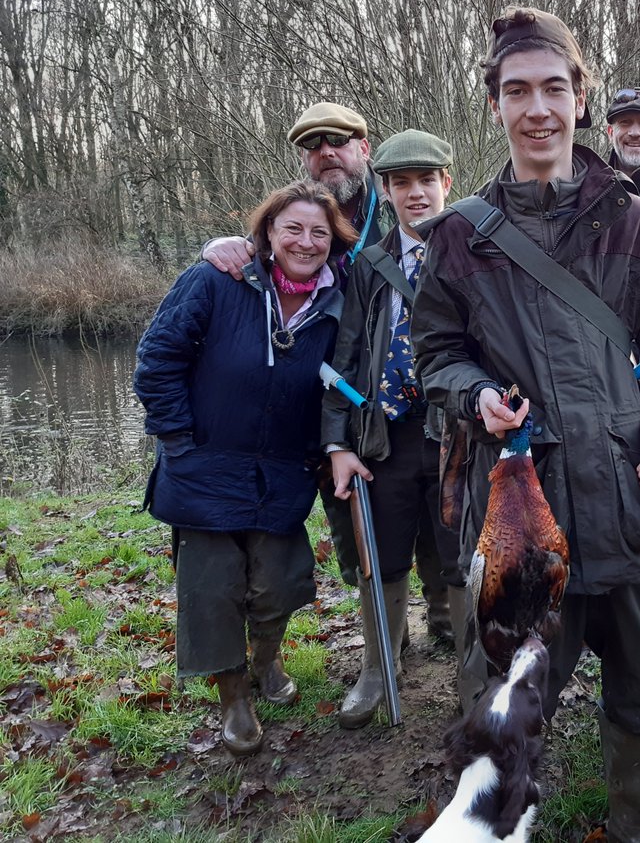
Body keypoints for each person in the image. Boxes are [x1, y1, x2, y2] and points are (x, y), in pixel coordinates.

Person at [411, 6, 640, 842]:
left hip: (628, 501)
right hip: (518, 512)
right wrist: (475, 396)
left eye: (553, 88)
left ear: (580, 99)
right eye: (517, 91)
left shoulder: (636, 223)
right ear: (496, 105)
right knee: (502, 688)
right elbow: (436, 353)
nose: (537, 108)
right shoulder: (461, 234)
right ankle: (494, 822)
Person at [203, 103, 455, 649]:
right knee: (360, 530)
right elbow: (263, 254)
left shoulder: (404, 213)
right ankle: (385, 648)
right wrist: (222, 248)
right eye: (314, 145)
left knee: (443, 524)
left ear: (365, 150)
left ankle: (445, 622)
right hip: (337, 404)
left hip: (433, 405)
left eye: (338, 141)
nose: (326, 154)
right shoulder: (310, 222)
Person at [134, 181, 354, 756]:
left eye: (319, 232)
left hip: (283, 467)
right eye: (292, 229)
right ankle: (233, 695)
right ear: (267, 233)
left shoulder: (341, 298)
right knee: (212, 587)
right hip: (203, 462)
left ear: (334, 242)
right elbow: (157, 360)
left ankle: (266, 659)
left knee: (278, 582)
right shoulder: (216, 279)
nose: (305, 242)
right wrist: (178, 438)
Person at [320, 129, 467, 727]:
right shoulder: (370, 267)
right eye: (401, 183)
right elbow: (345, 356)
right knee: (381, 556)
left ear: (446, 184)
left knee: (461, 559)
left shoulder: (475, 254)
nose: (415, 194)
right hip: (387, 438)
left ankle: (473, 672)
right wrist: (336, 443)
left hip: (459, 437)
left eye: (426, 181)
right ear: (384, 188)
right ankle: (380, 666)